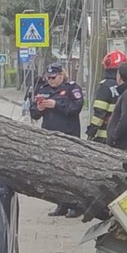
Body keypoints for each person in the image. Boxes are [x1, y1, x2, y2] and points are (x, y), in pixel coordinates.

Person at [29, 63, 85, 217]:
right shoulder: (44, 90)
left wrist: (56, 104)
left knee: (71, 172)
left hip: (68, 136)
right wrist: (39, 108)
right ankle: (61, 204)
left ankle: (76, 205)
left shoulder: (71, 88)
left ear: (61, 75)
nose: (51, 80)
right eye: (49, 78)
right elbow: (33, 112)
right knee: (55, 173)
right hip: (50, 136)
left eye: (53, 77)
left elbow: (76, 107)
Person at [86, 49, 127, 143]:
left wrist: (91, 132)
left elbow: (99, 112)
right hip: (122, 137)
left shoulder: (105, 86)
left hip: (105, 137)